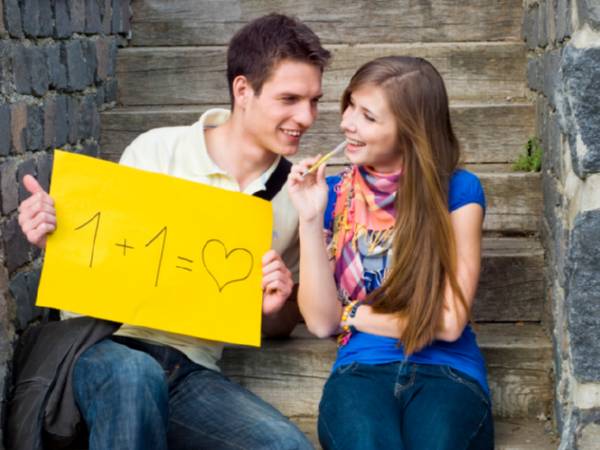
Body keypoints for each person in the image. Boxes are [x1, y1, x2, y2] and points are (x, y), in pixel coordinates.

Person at [16, 13, 330, 450]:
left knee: (285, 445)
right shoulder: (157, 149)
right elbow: (100, 258)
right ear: (243, 90)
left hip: (190, 367)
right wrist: (54, 235)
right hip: (104, 344)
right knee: (135, 374)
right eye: (290, 99)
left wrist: (270, 307)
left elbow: (280, 323)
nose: (306, 117)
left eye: (314, 101)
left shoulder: (294, 197)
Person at [288, 56, 494, 450]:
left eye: (367, 116)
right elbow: (320, 322)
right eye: (350, 105)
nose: (347, 123)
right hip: (360, 369)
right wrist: (310, 219)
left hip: (448, 370)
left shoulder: (458, 191)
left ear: (410, 131)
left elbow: (449, 323)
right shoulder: (332, 195)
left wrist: (353, 314)